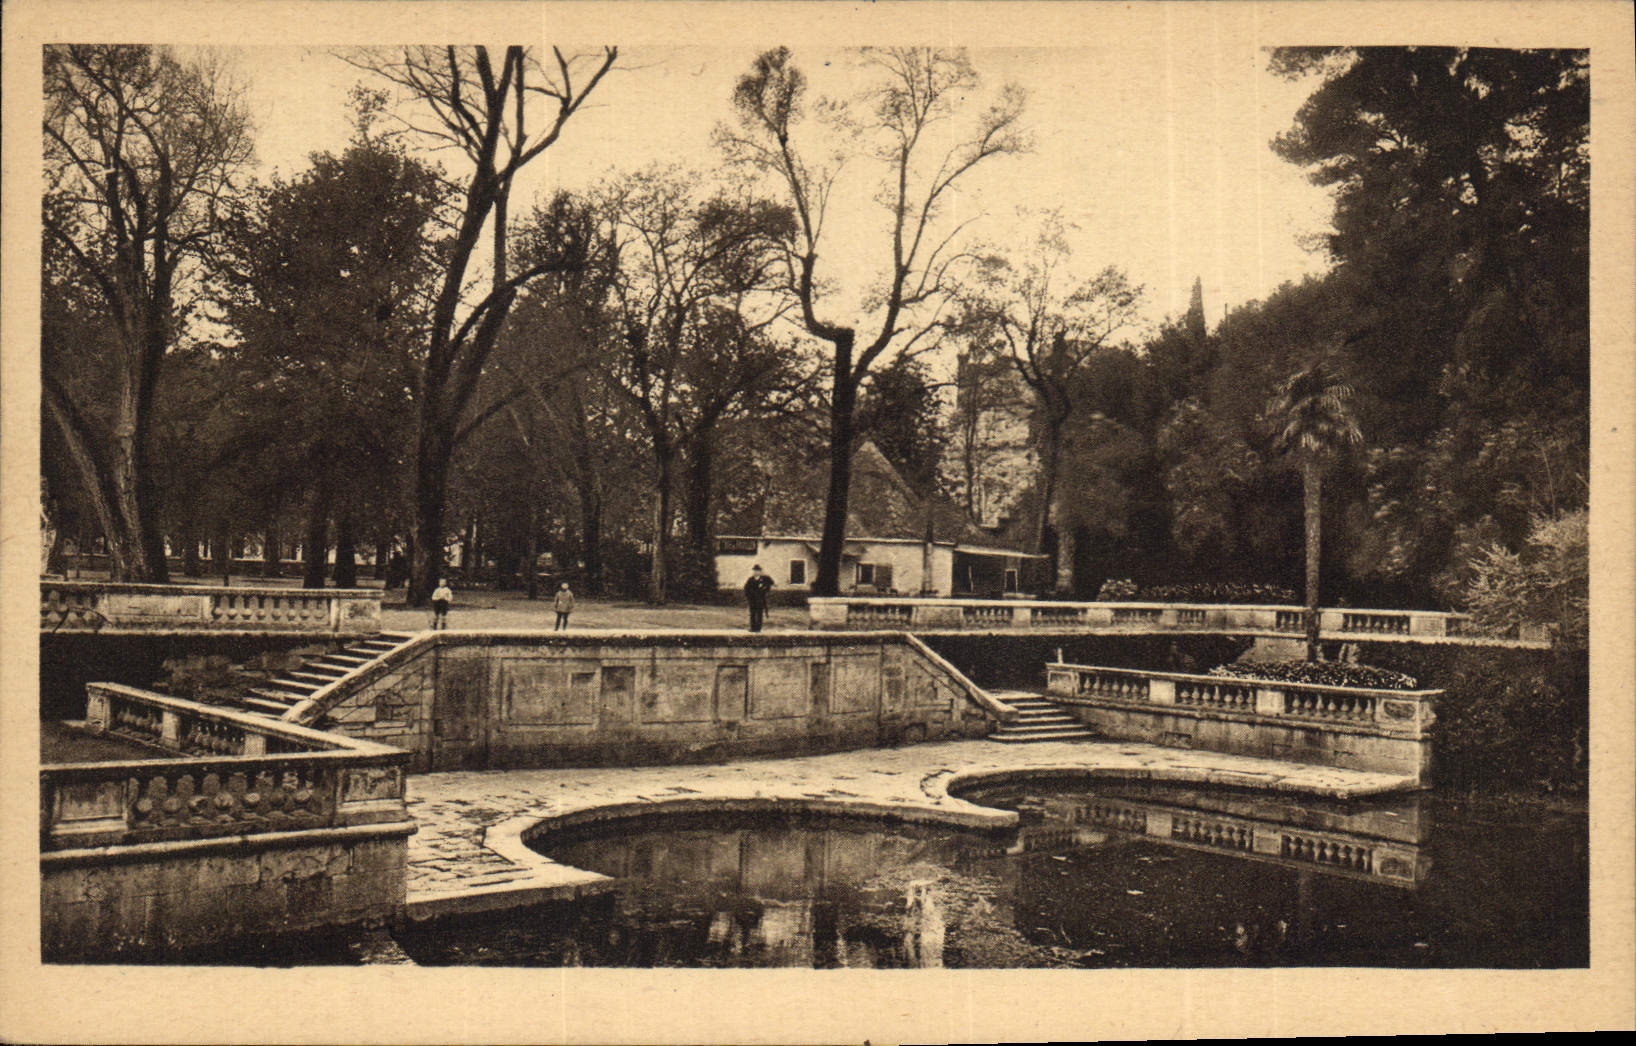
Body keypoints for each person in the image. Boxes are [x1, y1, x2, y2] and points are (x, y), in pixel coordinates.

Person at [743, 564, 774, 633]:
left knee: (759, 614)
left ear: (760, 572)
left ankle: (758, 628)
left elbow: (771, 583)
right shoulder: (750, 579)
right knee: (752, 614)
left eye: (757, 571)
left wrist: (764, 587)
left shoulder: (764, 579)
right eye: (754, 571)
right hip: (752, 600)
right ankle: (753, 628)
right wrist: (749, 596)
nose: (756, 572)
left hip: (760, 600)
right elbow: (746, 588)